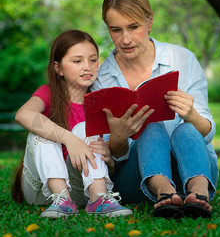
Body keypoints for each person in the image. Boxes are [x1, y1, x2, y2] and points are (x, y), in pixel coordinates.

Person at [91, 0, 218, 219]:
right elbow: (111, 156)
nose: (125, 39)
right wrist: (118, 138)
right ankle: (164, 192)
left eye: (134, 27)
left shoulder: (182, 59)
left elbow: (207, 132)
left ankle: (200, 193)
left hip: (193, 168)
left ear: (149, 22)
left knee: (187, 129)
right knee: (151, 127)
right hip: (137, 179)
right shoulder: (102, 78)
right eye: (115, 30)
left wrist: (191, 114)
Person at [10, 29, 133, 219]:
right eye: (77, 61)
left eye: (93, 60)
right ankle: (61, 200)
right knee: (42, 129)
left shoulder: (102, 102)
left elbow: (111, 168)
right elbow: (23, 114)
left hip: (81, 190)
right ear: (58, 68)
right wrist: (70, 139)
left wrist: (108, 158)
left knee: (86, 128)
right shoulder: (48, 92)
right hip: (40, 190)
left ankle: (99, 199)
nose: (88, 67)